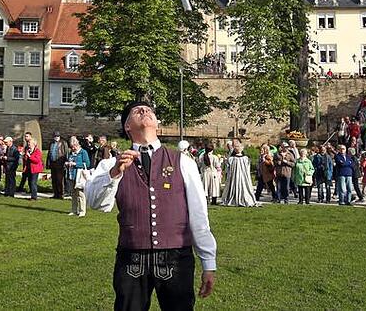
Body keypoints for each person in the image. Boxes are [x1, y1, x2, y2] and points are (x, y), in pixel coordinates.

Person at [86, 100, 217, 310]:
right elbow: (97, 203)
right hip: (132, 257)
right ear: (127, 126)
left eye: (149, 110)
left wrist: (208, 262)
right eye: (136, 111)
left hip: (176, 256)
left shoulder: (183, 162)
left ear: (157, 123)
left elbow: (199, 215)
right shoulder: (111, 164)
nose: (144, 110)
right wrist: (115, 174)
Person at [222, 139, 258, 207]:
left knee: (243, 187)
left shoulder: (245, 158)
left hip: (243, 177)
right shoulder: (232, 159)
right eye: (236, 147)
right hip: (235, 177)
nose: (238, 148)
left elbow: (247, 169)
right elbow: (228, 168)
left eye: (239, 147)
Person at [67, 136, 91, 216]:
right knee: (73, 194)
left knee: (80, 194)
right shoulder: (71, 153)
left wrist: (76, 164)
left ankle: (82, 211)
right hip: (71, 175)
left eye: (74, 146)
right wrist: (67, 163)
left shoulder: (83, 152)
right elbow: (69, 160)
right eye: (72, 146)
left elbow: (87, 164)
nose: (73, 148)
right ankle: (74, 210)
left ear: (78, 144)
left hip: (79, 176)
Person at [46, 131, 69, 199]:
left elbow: (66, 153)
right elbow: (49, 153)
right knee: (54, 179)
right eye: (55, 136)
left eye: (57, 136)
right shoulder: (51, 143)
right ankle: (55, 193)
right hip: (53, 163)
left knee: (60, 179)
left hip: (60, 163)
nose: (56, 137)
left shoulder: (63, 143)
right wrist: (48, 163)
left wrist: (66, 162)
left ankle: (61, 194)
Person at [22, 134, 43, 200]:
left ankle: (34, 197)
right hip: (29, 169)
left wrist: (30, 156)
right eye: (28, 143)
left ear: (34, 144)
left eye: (30, 143)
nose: (28, 144)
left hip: (35, 169)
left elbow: (37, 160)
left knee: (33, 182)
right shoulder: (28, 150)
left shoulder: (37, 151)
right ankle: (32, 195)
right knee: (30, 182)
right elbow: (26, 159)